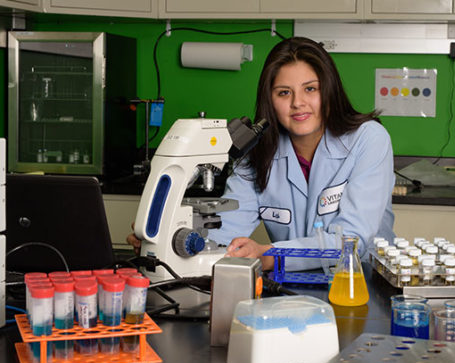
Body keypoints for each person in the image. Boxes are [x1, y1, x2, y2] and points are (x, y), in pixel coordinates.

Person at [128, 37, 395, 271]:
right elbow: (225, 233)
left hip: (362, 286)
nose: (297, 102)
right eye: (284, 93)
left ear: (329, 90)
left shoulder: (368, 140)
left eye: (310, 89)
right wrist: (169, 243)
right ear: (270, 100)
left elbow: (351, 241)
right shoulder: (258, 156)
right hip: (290, 288)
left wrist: (270, 255)